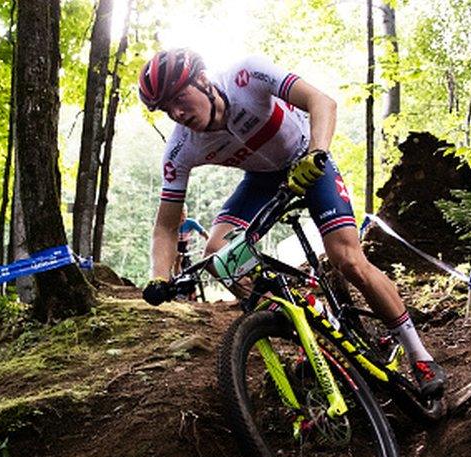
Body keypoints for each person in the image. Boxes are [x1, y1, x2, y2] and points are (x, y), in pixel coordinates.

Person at [137, 49, 446, 397]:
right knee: (217, 256)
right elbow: (165, 226)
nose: (177, 113)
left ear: (203, 80)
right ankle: (308, 327)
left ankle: (420, 356)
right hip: (261, 181)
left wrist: (317, 152)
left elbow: (322, 102)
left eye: (179, 97)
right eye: (166, 108)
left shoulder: (246, 76)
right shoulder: (180, 148)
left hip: (308, 159)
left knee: (348, 260)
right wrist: (159, 278)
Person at [174, 205, 209, 276]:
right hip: (174, 245)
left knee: (188, 265)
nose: (182, 217)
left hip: (184, 246)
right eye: (180, 214)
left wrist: (209, 245)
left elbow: (204, 233)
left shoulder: (191, 222)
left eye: (184, 213)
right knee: (177, 262)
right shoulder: (172, 223)